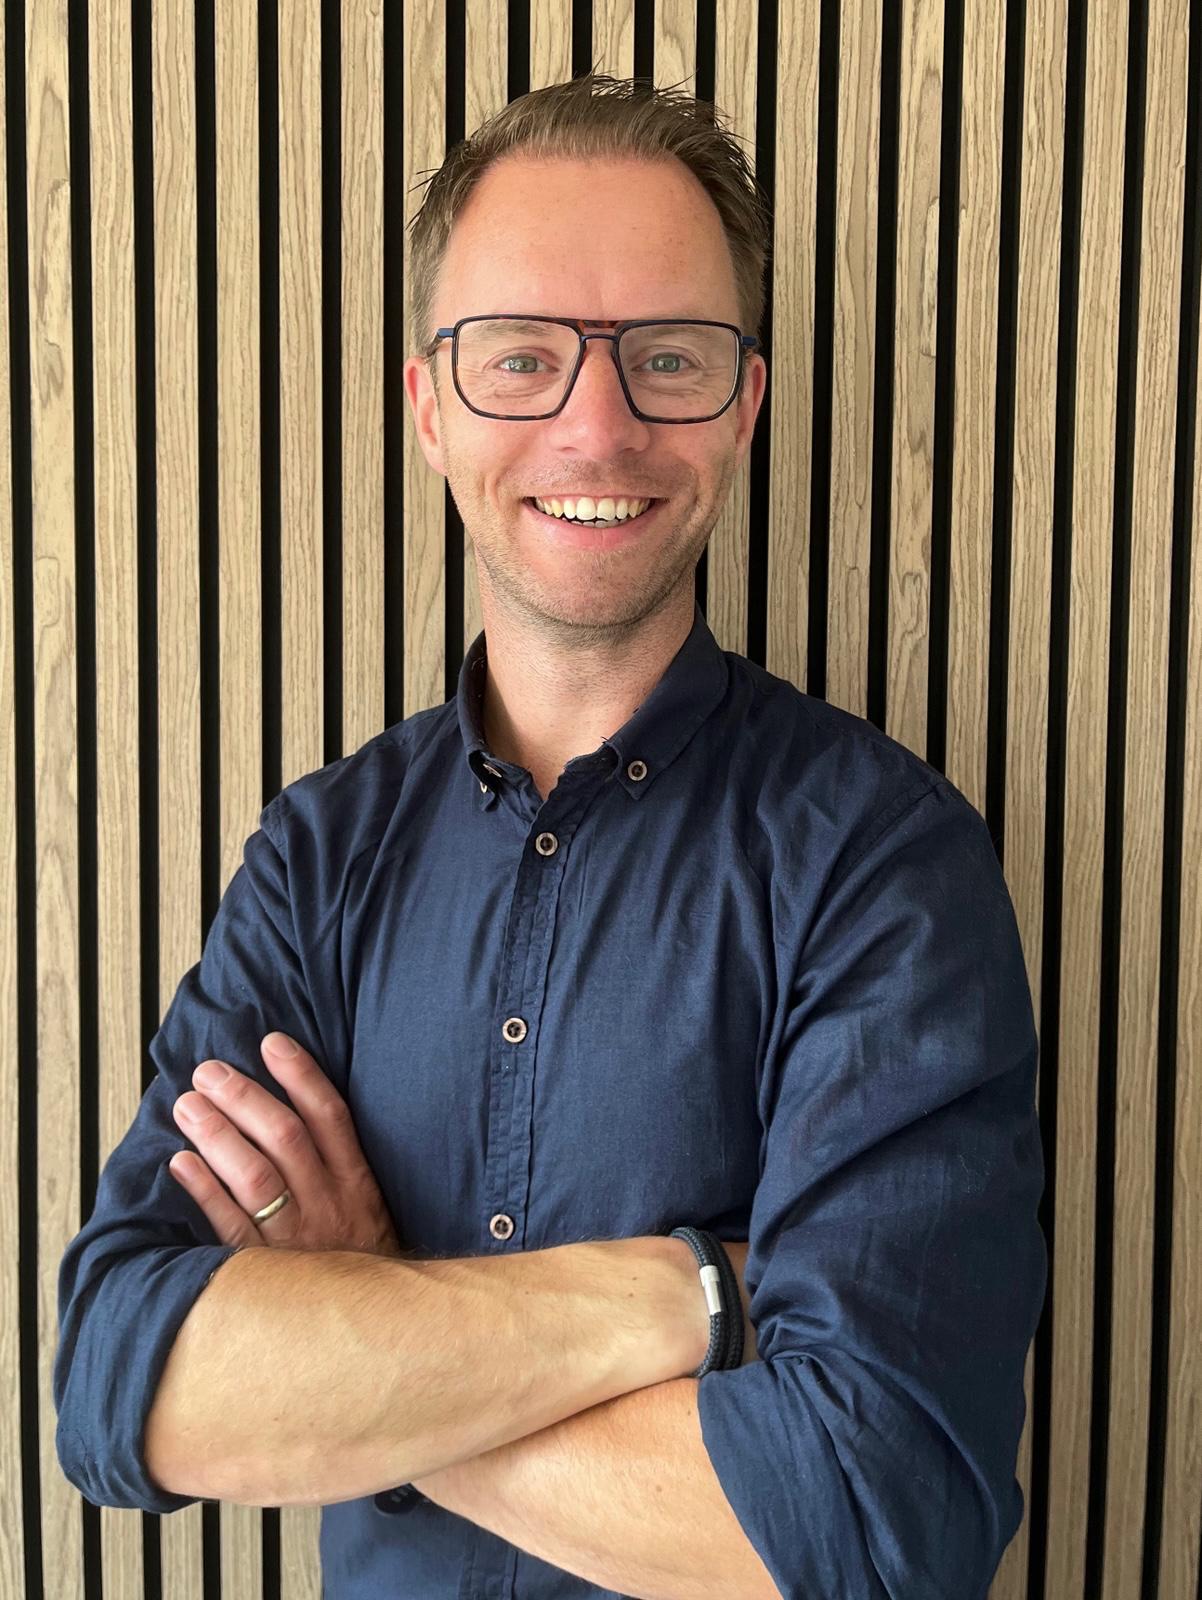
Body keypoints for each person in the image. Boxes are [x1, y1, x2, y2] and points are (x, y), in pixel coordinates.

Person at [53, 73, 1047, 1600]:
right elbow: (125, 1386)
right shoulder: (320, 856)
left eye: (667, 358)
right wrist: (685, 1299)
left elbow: (870, 1524)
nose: (597, 426)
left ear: (743, 406)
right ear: (430, 409)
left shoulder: (884, 868)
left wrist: (360, 1340)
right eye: (520, 358)